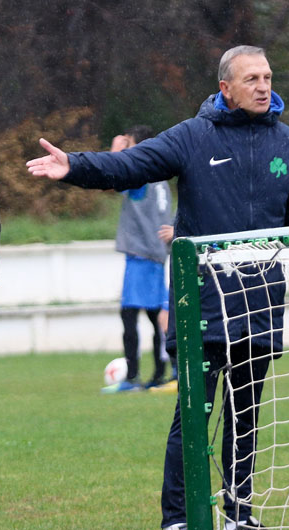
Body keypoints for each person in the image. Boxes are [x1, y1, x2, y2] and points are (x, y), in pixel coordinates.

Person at [27, 45, 289, 530]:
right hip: (202, 306)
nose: (263, 86)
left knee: (246, 418)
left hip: (260, 307)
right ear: (225, 87)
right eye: (251, 78)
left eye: (268, 76)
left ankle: (239, 516)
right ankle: (178, 523)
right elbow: (130, 167)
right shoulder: (192, 136)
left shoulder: (288, 144)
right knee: (193, 416)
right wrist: (73, 165)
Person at [101, 125, 174, 393]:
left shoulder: (140, 175)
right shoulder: (161, 178)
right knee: (157, 316)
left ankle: (132, 378)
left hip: (142, 255)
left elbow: (110, 179)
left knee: (130, 315)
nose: (127, 149)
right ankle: (159, 374)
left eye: (129, 144)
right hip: (157, 254)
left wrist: (114, 152)